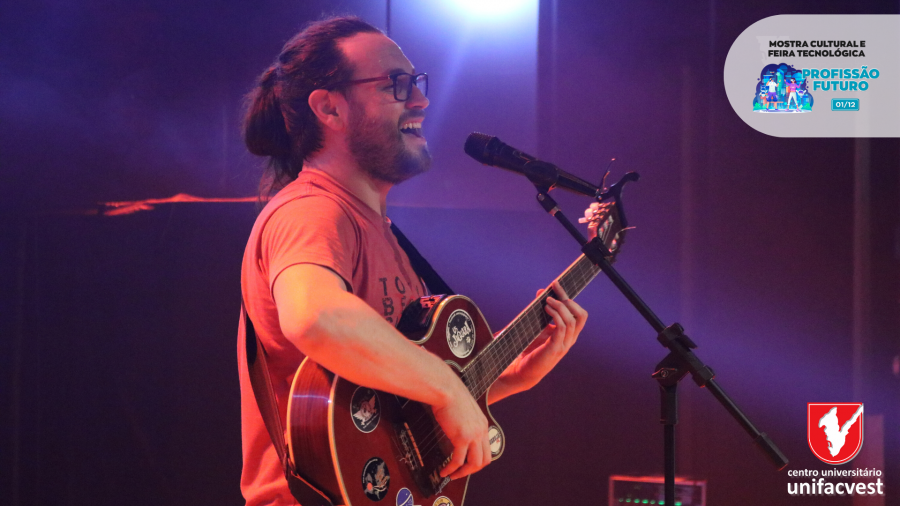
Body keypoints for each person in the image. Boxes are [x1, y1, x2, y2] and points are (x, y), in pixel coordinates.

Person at [238, 16, 588, 505]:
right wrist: (447, 388)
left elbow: (392, 409)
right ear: (330, 108)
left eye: (417, 83)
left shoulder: (381, 234)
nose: (420, 100)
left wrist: (511, 378)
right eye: (396, 85)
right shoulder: (312, 210)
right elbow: (316, 318)